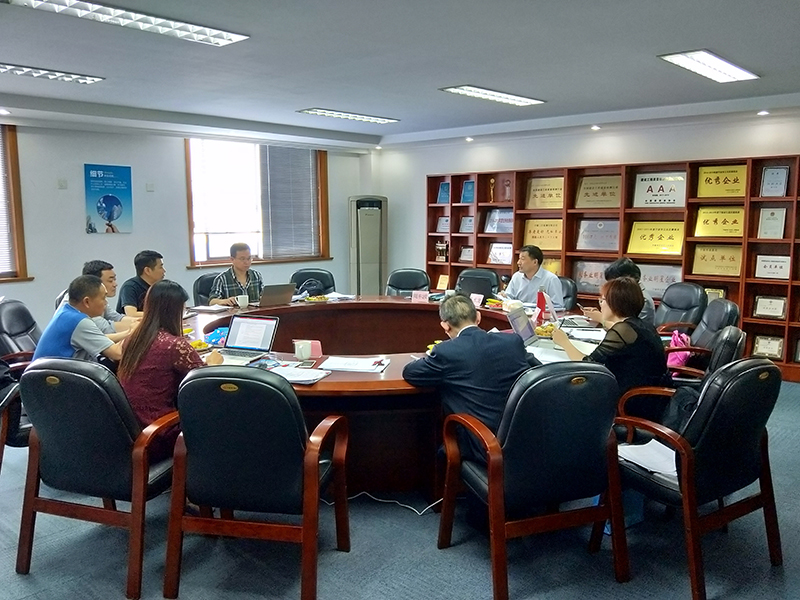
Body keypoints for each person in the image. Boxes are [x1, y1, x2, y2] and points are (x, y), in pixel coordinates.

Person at [402, 294, 533, 463]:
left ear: (445, 326)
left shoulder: (446, 352)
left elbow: (410, 372)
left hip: (484, 447)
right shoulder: (512, 342)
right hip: (524, 440)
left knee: (438, 451)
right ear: (478, 317)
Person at [117, 280, 222, 462]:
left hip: (131, 433)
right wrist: (213, 364)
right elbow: (205, 384)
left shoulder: (132, 340)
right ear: (175, 311)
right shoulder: (175, 345)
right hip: (159, 435)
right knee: (222, 410)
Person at [551, 276, 670, 404]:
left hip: (634, 400)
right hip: (653, 393)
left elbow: (588, 365)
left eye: (602, 300)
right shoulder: (639, 324)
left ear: (615, 303)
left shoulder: (623, 330)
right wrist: (601, 319)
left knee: (566, 391)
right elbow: (617, 329)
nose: (600, 304)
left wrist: (564, 342)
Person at [33, 275, 124, 362]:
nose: (106, 303)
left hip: (48, 370)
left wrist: (128, 334)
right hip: (55, 372)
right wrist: (132, 339)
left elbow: (99, 339)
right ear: (87, 302)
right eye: (103, 298)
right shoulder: (79, 322)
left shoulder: (66, 311)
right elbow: (117, 354)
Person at [57, 260, 139, 342]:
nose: (115, 284)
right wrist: (135, 329)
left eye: (114, 279)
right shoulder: (77, 307)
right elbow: (106, 331)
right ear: (94, 282)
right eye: (110, 281)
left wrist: (139, 323)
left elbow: (117, 318)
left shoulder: (93, 299)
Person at [582, 257, 655, 325]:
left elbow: (628, 329)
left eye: (614, 284)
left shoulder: (642, 299)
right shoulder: (626, 294)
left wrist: (601, 318)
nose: (612, 288)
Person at [501, 245, 564, 310]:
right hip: (518, 314)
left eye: (522, 259)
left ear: (535, 262)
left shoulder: (551, 279)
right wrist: (504, 297)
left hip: (541, 315)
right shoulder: (517, 276)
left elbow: (558, 306)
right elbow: (509, 297)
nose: (518, 262)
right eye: (519, 259)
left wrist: (536, 307)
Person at [117, 250, 167, 317]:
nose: (164, 270)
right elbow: (131, 314)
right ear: (147, 270)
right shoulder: (130, 287)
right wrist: (162, 315)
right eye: (160, 267)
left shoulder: (159, 287)